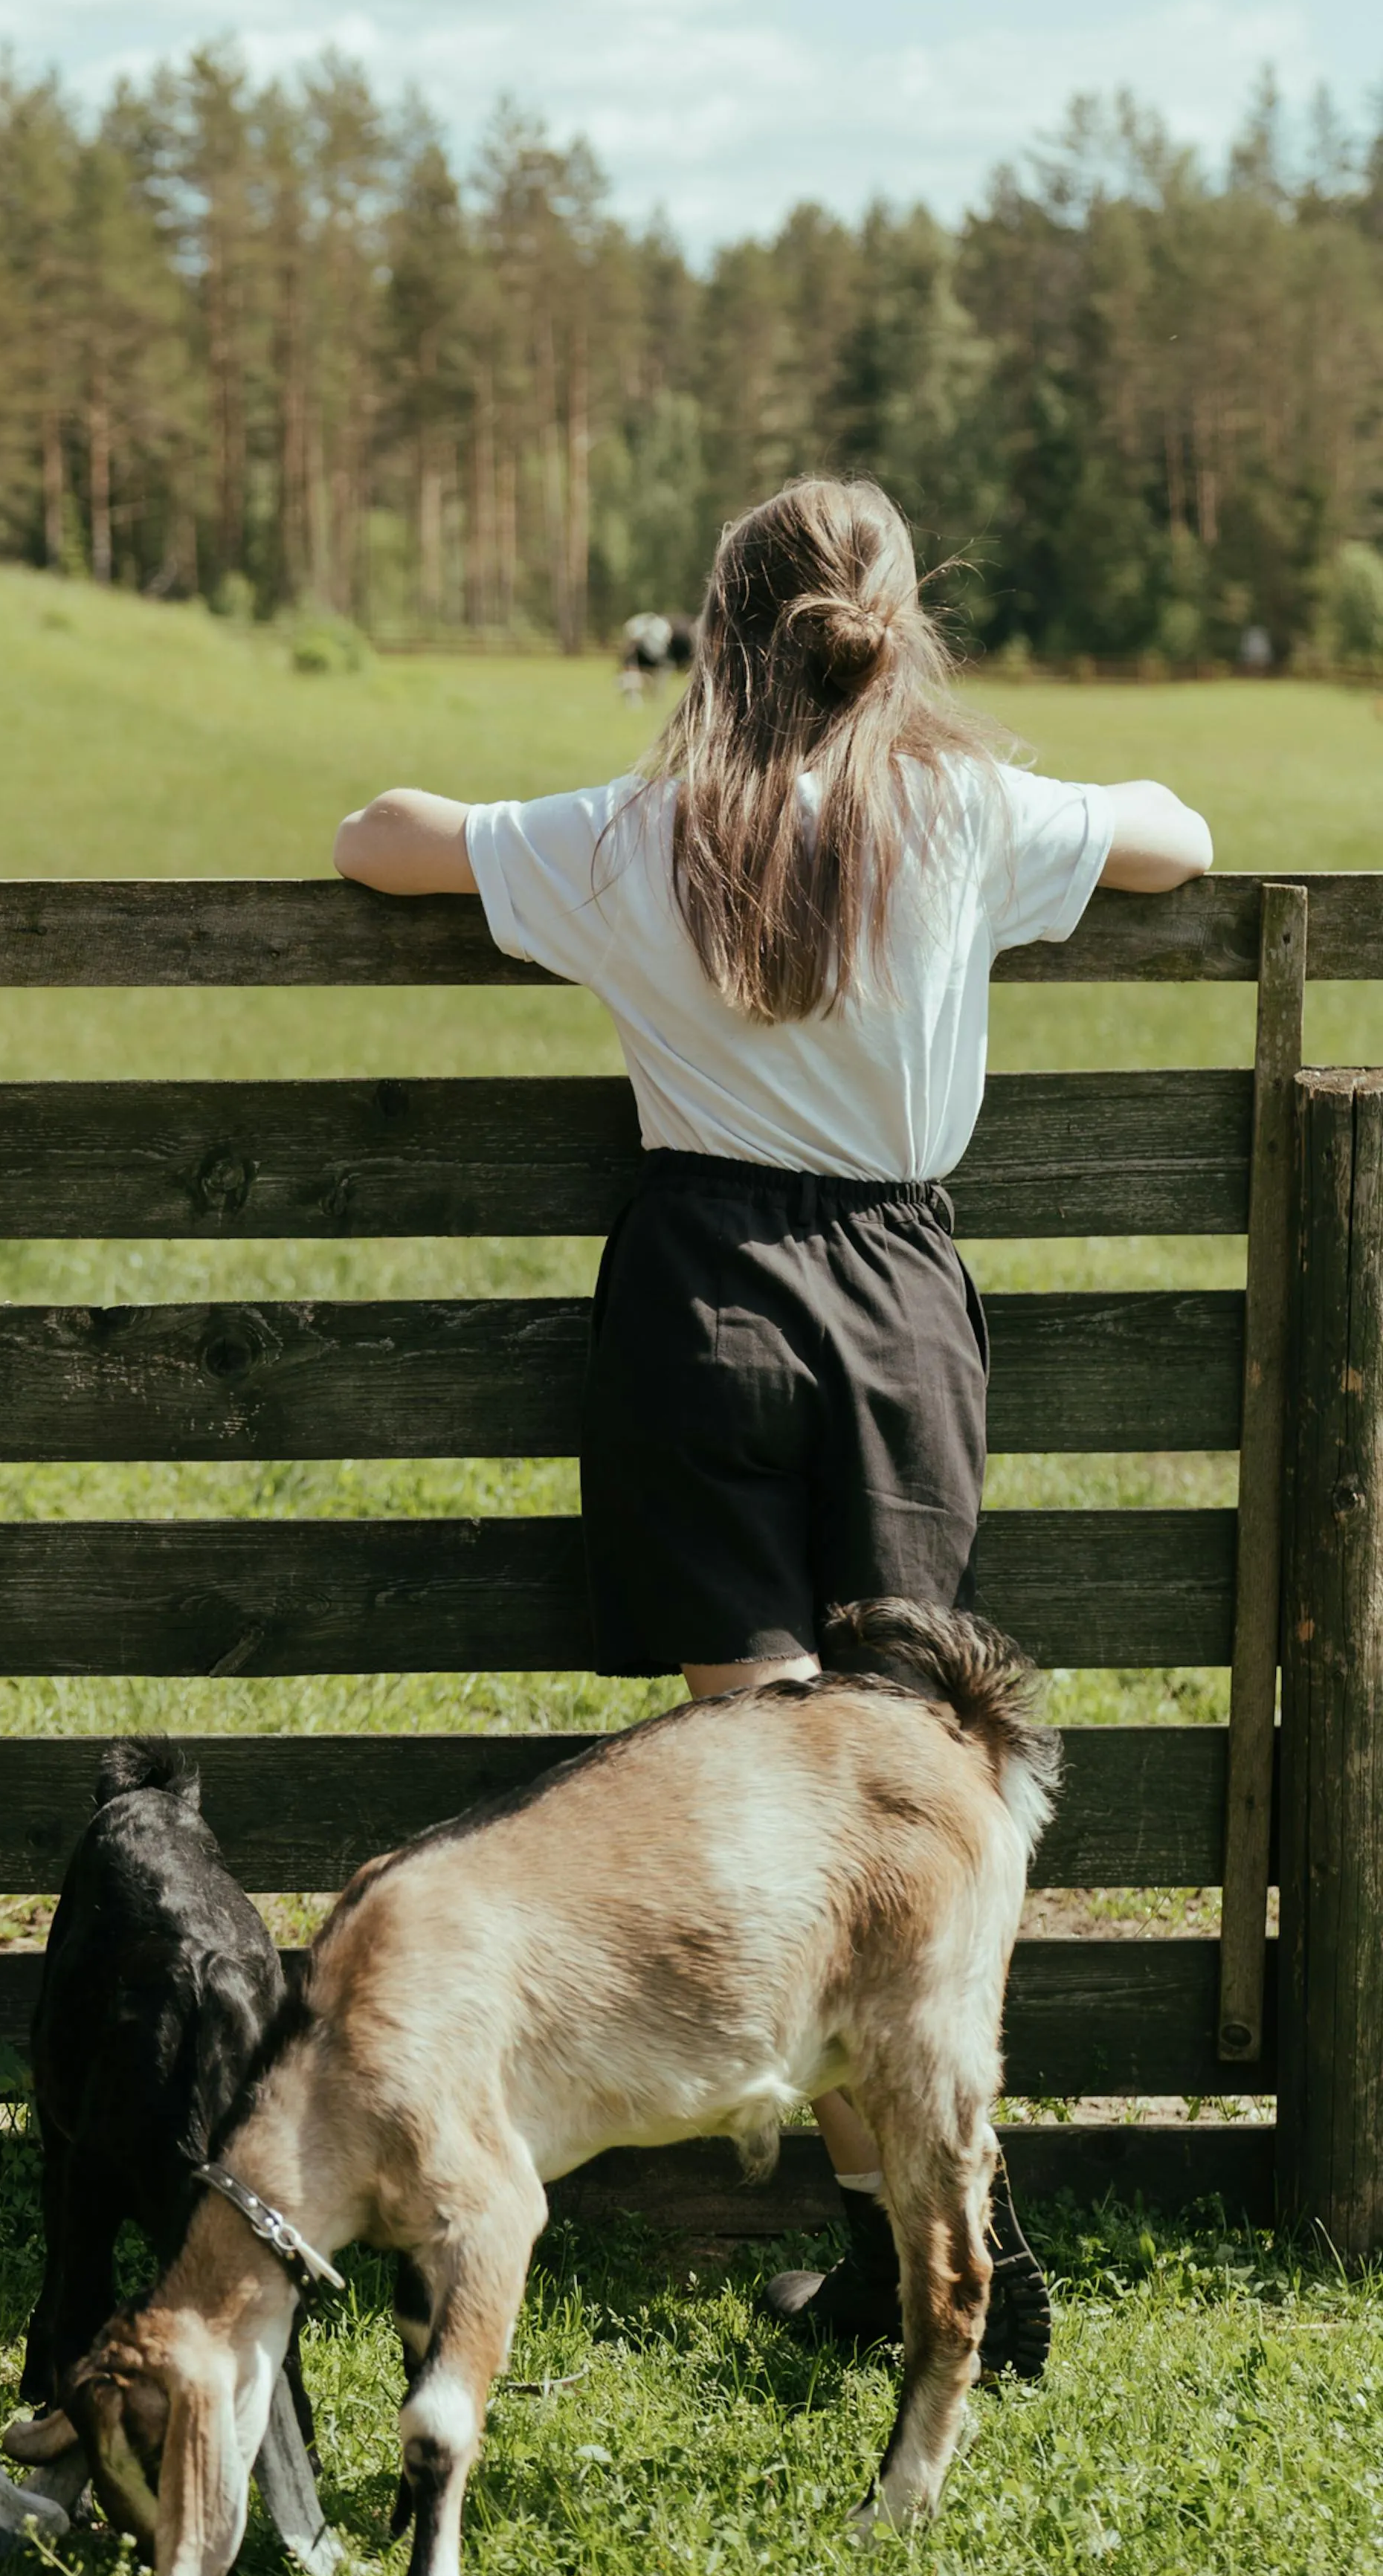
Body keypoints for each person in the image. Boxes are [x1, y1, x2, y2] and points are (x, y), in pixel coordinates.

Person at [332, 477, 1213, 2364]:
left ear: (721, 633)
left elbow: (382, 836)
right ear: (897, 635)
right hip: (900, 1309)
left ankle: (878, 2230)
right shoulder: (965, 812)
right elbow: (1182, 837)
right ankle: (959, 2223)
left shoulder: (648, 829)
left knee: (757, 1792)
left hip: (703, 1300)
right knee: (900, 1794)